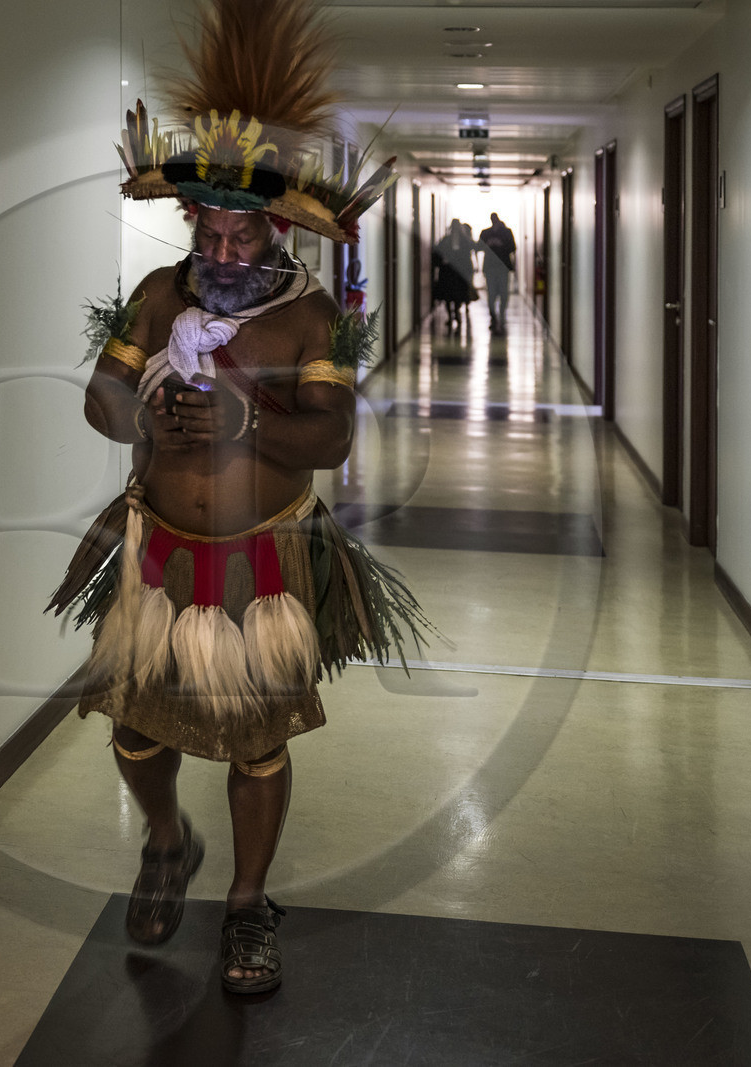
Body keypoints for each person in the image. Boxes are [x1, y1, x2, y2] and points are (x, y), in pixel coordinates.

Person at [50, 0, 429, 997]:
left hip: (263, 556)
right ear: (191, 223)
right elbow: (98, 398)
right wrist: (144, 417)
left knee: (256, 740)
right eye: (207, 234)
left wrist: (243, 424)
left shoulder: (312, 318)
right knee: (136, 730)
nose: (219, 255)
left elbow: (335, 436)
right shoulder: (156, 296)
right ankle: (169, 843)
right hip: (159, 551)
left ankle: (249, 901)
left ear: (272, 227)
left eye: (237, 236)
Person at [432, 219, 477, 336]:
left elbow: (470, 253)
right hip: (447, 272)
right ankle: (451, 316)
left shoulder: (463, 241)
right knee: (447, 296)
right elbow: (436, 252)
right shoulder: (446, 240)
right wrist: (443, 261)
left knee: (457, 295)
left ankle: (456, 313)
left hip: (458, 273)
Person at [479, 212, 517, 335]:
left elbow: (513, 247)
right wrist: (489, 244)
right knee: (492, 294)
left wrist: (501, 244)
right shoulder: (486, 233)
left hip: (502, 267)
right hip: (490, 267)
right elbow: (479, 246)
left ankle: (501, 315)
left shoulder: (506, 232)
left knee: (503, 293)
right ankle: (494, 318)